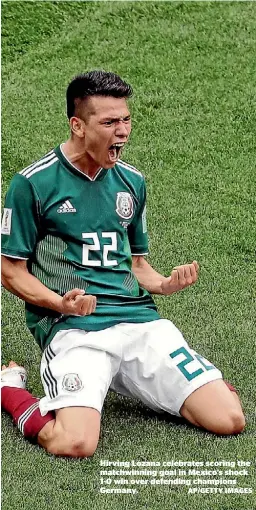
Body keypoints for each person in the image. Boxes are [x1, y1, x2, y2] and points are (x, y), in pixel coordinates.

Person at [1, 71, 245, 458]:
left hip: (139, 322)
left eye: (126, 120)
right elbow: (10, 271)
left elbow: (137, 264)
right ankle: (10, 387)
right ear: (77, 125)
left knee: (229, 419)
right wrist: (59, 303)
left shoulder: (132, 181)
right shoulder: (32, 184)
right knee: (74, 443)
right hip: (75, 328)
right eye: (110, 122)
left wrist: (164, 284)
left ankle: (143, 378)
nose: (123, 131)